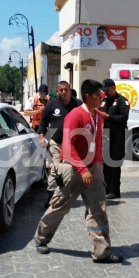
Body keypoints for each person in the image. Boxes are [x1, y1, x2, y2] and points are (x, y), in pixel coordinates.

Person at [34, 79, 123, 263]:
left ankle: (101, 252)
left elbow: (97, 143)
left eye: (102, 94)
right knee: (59, 206)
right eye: (98, 95)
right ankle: (41, 238)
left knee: (98, 210)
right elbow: (67, 147)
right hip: (74, 170)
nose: (101, 97)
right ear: (88, 96)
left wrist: (98, 166)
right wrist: (83, 170)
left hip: (94, 171)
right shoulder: (75, 116)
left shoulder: (97, 115)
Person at [37, 81, 81, 208]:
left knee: (69, 171)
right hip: (55, 142)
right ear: (57, 91)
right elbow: (43, 122)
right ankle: (51, 197)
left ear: (70, 90)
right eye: (61, 90)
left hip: (72, 144)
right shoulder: (51, 104)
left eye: (66, 90)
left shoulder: (77, 104)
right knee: (54, 169)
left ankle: (67, 196)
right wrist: (41, 137)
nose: (63, 92)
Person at [99, 78, 129, 199]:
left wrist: (109, 117)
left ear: (113, 88)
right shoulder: (104, 101)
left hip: (117, 136)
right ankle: (106, 188)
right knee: (106, 163)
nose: (105, 93)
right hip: (106, 135)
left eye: (107, 90)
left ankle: (115, 190)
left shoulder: (122, 101)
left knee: (115, 164)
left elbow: (124, 117)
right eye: (104, 91)